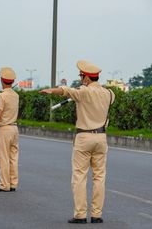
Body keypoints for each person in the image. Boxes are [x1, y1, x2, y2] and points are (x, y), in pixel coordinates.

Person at [39, 60, 115, 224]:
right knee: (99, 177)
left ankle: (80, 215)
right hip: (101, 138)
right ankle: (96, 215)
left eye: (82, 76)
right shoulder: (109, 93)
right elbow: (108, 99)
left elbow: (65, 90)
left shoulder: (83, 91)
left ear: (87, 78)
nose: (81, 78)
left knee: (80, 177)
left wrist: (51, 90)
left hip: (84, 137)